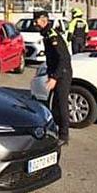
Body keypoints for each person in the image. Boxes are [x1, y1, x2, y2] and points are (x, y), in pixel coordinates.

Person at [34, 10, 70, 144]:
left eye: (36, 21)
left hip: (63, 73)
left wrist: (55, 77)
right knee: (53, 104)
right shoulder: (47, 35)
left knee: (61, 104)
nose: (34, 23)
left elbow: (63, 58)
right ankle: (54, 131)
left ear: (44, 21)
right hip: (56, 72)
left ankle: (64, 136)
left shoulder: (52, 35)